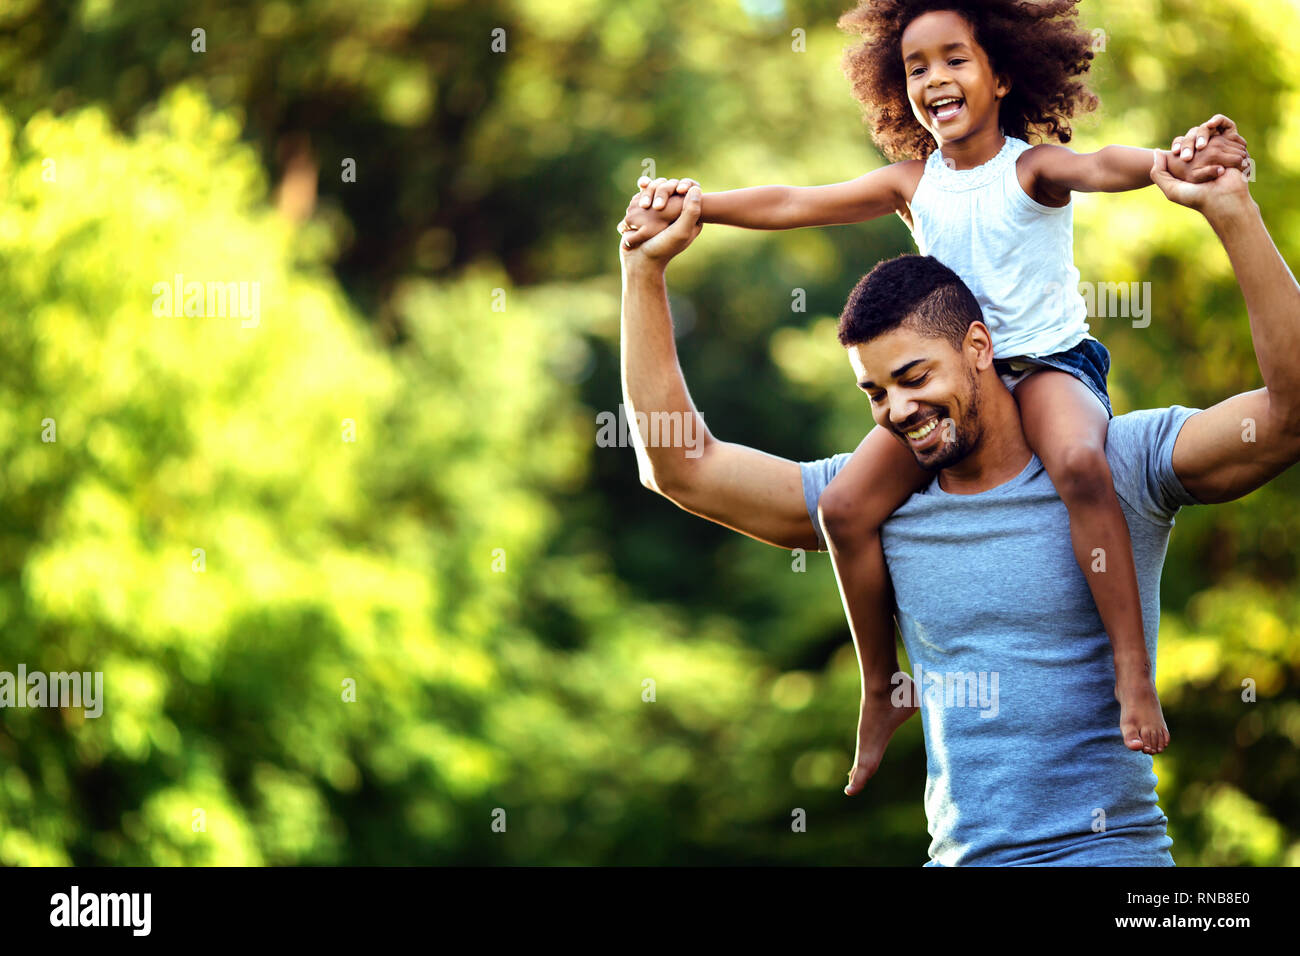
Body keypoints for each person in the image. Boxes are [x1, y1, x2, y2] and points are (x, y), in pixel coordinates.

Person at [616, 142, 1300, 865]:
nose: (897, 411)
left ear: (979, 346)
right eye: (876, 392)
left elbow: (1288, 417)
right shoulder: (879, 502)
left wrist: (1233, 212)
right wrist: (643, 268)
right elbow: (679, 468)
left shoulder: (1112, 462)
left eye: (915, 376)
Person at [619, 1, 1250, 777]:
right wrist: (696, 208)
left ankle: (1131, 673)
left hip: (1048, 366)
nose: (934, 78)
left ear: (1002, 74)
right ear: (896, 86)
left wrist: (1172, 162)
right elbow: (794, 202)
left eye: (954, 58)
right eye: (916, 67)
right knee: (848, 507)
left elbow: (1107, 163)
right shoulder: (910, 183)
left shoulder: (1032, 168)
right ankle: (884, 687)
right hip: (953, 388)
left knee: (1085, 469)